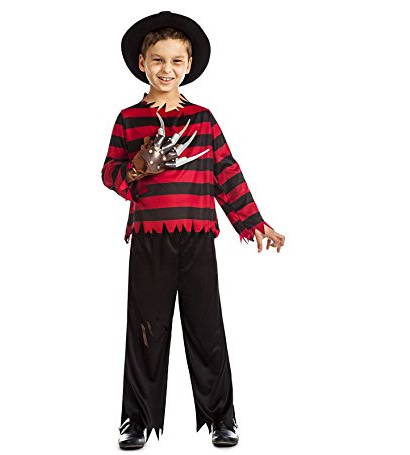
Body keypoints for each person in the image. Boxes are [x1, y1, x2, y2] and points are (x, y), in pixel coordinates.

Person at [101, 11, 286, 450]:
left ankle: (221, 418)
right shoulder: (128, 119)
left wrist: (254, 222)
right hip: (149, 237)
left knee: (206, 329)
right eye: (157, 60)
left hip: (198, 236)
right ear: (142, 63)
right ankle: (136, 421)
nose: (166, 69)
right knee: (146, 331)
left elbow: (226, 174)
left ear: (188, 65)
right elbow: (109, 174)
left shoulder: (203, 119)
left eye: (176, 61)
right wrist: (135, 169)